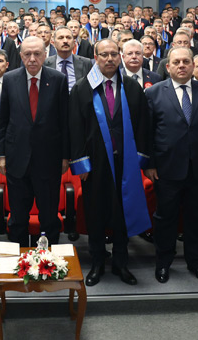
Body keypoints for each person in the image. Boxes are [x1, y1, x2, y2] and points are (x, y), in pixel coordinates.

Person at [68, 39, 151, 287]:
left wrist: (141, 159)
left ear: (120, 57)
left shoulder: (132, 87)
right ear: (95, 57)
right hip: (95, 163)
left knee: (122, 212)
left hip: (126, 161)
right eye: (104, 55)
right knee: (96, 212)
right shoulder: (83, 88)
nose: (110, 59)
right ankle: (97, 262)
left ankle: (121, 262)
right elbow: (75, 127)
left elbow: (143, 125)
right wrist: (81, 163)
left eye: (114, 54)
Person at [145, 46, 198, 283]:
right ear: (168, 66)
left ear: (193, 65)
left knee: (196, 219)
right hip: (166, 168)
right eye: (176, 62)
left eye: (186, 62)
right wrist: (149, 164)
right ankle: (163, 263)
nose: (181, 66)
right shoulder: (154, 93)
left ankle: (196, 262)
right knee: (165, 219)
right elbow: (147, 133)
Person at [0, 36, 69, 246]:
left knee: (49, 216)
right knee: (18, 216)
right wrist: (1, 155)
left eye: (37, 54)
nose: (32, 58)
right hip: (17, 159)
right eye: (27, 54)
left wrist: (65, 156)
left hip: (49, 159)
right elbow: (2, 121)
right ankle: (18, 257)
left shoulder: (58, 79)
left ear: (45, 55)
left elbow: (64, 121)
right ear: (21, 56)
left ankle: (49, 258)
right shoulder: (10, 79)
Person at [45, 27, 92, 92]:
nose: (65, 41)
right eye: (61, 38)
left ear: (74, 42)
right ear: (53, 42)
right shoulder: (45, 64)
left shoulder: (86, 63)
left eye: (68, 38)